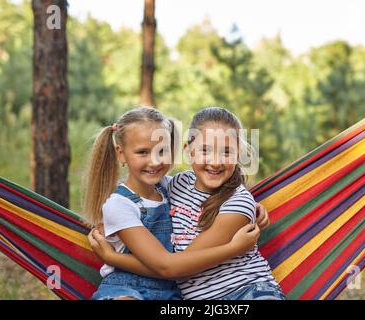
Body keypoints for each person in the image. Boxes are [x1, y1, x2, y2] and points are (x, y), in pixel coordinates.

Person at [90, 107, 286, 300]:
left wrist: (113, 257)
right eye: (205, 150)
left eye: (226, 152)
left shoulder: (237, 203)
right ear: (189, 151)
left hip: (247, 291)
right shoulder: (175, 185)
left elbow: (176, 269)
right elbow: (134, 192)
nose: (215, 162)